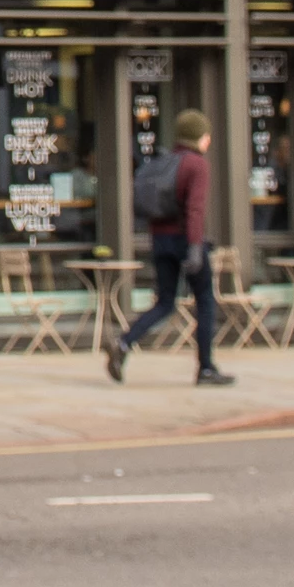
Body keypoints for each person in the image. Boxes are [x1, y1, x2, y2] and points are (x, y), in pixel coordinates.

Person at [106, 110, 234, 388]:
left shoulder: (166, 161)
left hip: (160, 240)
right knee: (205, 303)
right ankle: (206, 368)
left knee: (164, 302)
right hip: (185, 240)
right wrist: (195, 247)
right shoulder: (196, 165)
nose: (208, 140)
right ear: (199, 137)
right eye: (206, 135)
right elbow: (195, 209)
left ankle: (125, 342)